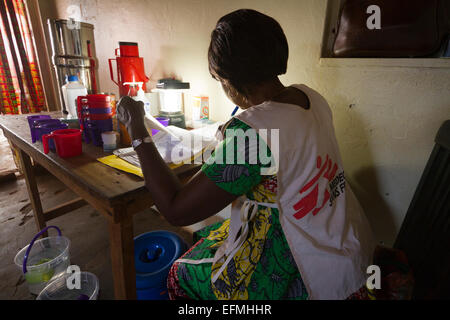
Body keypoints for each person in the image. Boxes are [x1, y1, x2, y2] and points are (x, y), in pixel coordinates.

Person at [117, 9, 375, 300]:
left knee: (180, 273)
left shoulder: (253, 135)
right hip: (349, 247)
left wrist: (136, 129)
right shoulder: (310, 96)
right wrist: (240, 131)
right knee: (215, 234)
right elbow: (280, 140)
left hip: (314, 274)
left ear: (228, 79)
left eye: (217, 79)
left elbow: (176, 210)